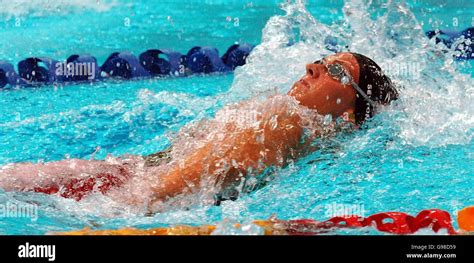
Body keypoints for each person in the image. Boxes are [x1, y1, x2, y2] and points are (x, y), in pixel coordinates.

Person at [0, 52, 398, 210]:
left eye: (337, 72)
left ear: (350, 112)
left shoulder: (286, 120)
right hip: (122, 179)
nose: (313, 68)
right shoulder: (288, 122)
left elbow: (160, 189)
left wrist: (112, 214)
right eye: (321, 60)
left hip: (120, 183)